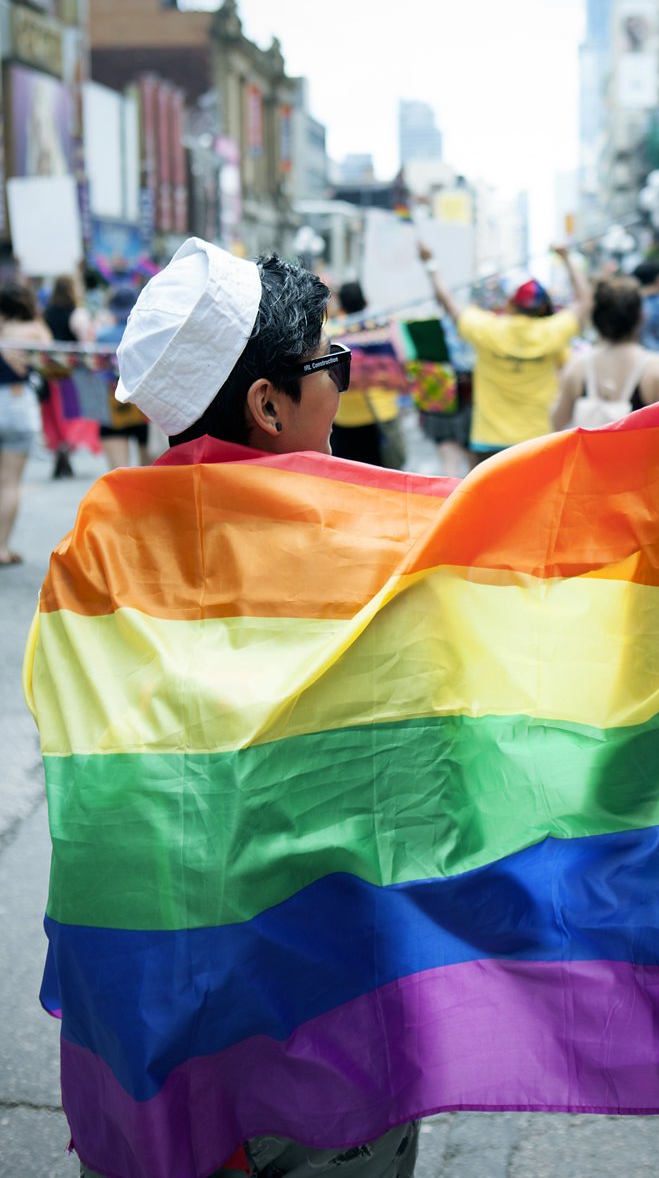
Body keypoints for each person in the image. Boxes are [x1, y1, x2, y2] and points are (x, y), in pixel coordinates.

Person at [29, 238, 419, 1178]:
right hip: (324, 1021)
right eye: (329, 366)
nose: (341, 387)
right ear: (269, 403)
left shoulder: (96, 545)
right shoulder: (367, 543)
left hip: (147, 1016)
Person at [418, 241, 592, 461]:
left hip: (489, 440)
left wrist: (431, 265)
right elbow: (585, 301)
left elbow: (448, 303)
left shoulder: (488, 329)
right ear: (541, 308)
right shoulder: (552, 332)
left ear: (510, 304)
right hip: (538, 439)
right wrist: (566, 257)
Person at [550, 275, 659, 429]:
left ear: (596, 318)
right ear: (640, 316)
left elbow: (558, 422)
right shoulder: (657, 368)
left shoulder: (577, 367)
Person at [328, 280, 406, 469]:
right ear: (365, 301)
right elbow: (403, 357)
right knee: (386, 475)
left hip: (346, 417)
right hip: (383, 413)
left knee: (351, 476)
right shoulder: (385, 325)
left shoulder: (332, 331)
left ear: (342, 305)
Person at [0, 278, 51, 566]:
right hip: (17, 404)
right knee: (9, 483)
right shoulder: (31, 329)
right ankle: (1, 547)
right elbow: (50, 354)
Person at [41, 272, 98, 478]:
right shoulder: (77, 313)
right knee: (71, 413)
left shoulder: (46, 313)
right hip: (71, 373)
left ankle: (60, 448)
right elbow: (85, 344)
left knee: (55, 414)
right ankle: (66, 447)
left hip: (50, 372)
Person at [95, 285, 153, 470]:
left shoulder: (102, 336)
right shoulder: (147, 333)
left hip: (113, 406)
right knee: (149, 475)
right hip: (145, 406)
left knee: (119, 474)